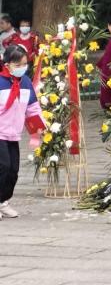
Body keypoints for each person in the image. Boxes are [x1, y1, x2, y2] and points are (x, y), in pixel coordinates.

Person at [0, 44, 45, 219]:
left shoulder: (25, 82)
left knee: (13, 170)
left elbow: (33, 109)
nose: (22, 68)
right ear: (7, 64)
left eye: (25, 64)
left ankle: (3, 201)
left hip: (14, 134)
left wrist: (37, 132)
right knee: (3, 166)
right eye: (17, 65)